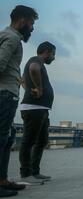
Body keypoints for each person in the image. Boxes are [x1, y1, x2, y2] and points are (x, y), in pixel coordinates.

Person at [0, 5, 38, 198]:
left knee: (8, 137)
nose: (32, 28)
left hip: (8, 92)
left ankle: (3, 179)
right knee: (2, 137)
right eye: (31, 23)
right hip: (5, 94)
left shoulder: (6, 35)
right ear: (22, 20)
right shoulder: (13, 38)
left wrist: (23, 86)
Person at [19, 42, 56, 185]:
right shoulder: (36, 60)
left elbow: (22, 80)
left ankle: (35, 171)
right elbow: (33, 69)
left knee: (41, 141)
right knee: (28, 141)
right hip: (34, 108)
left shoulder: (37, 62)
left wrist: (29, 88)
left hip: (40, 108)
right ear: (46, 52)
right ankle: (26, 173)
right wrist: (39, 89)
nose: (53, 58)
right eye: (53, 54)